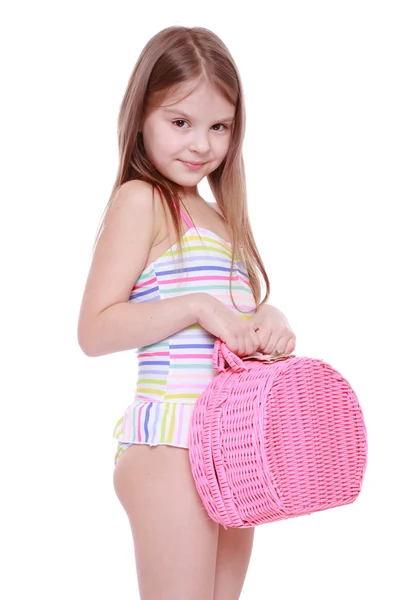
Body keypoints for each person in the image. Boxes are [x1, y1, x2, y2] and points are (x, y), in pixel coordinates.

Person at [78, 25, 296, 600]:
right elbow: (95, 329)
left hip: (234, 447)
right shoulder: (142, 201)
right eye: (181, 122)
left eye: (219, 126)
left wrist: (267, 320)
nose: (201, 144)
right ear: (141, 118)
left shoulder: (224, 219)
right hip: (170, 446)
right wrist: (198, 306)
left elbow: (232, 342)